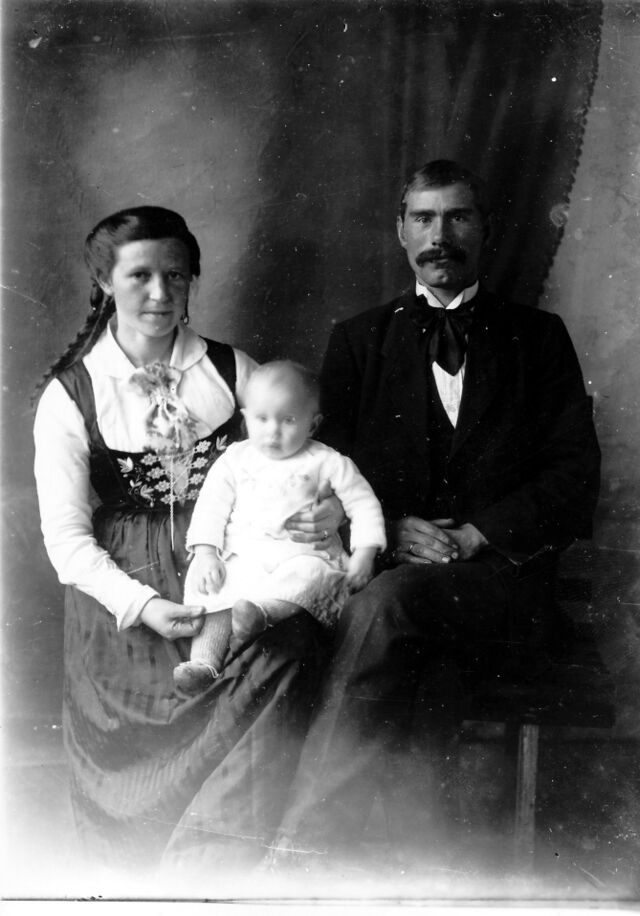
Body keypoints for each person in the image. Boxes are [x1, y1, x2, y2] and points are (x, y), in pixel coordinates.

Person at [269, 160, 601, 868]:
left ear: (484, 228)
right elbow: (327, 474)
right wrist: (389, 526)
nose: (439, 235)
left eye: (457, 217)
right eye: (423, 218)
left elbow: (575, 479)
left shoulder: (539, 337)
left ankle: (303, 848)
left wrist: (478, 534)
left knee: (388, 608)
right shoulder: (358, 340)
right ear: (401, 231)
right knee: (427, 671)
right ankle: (418, 867)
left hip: (506, 590)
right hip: (405, 592)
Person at [32, 206, 343, 880]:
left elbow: (300, 470)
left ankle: (212, 870)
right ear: (105, 282)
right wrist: (142, 605)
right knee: (132, 784)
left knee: (289, 654)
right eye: (139, 276)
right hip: (125, 605)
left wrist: (323, 510)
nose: (160, 293)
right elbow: (66, 540)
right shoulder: (72, 394)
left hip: (228, 581)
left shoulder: (232, 371)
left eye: (176, 275)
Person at [175, 359, 387, 695]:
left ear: (313, 424)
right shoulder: (235, 459)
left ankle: (262, 615)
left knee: (308, 576)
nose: (273, 432)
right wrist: (205, 553)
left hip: (301, 554)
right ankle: (203, 663)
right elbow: (210, 507)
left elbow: (363, 503)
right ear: (246, 418)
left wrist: (365, 552)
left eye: (288, 420)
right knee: (214, 583)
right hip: (245, 553)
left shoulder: (328, 461)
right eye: (262, 419)